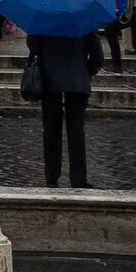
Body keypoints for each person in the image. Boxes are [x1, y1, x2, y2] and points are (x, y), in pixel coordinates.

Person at [29, 29, 103, 188]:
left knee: (51, 127)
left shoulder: (44, 12)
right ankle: (78, 178)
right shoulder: (82, 13)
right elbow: (96, 51)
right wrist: (90, 68)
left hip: (49, 74)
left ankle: (51, 176)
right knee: (76, 129)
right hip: (77, 75)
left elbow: (33, 44)